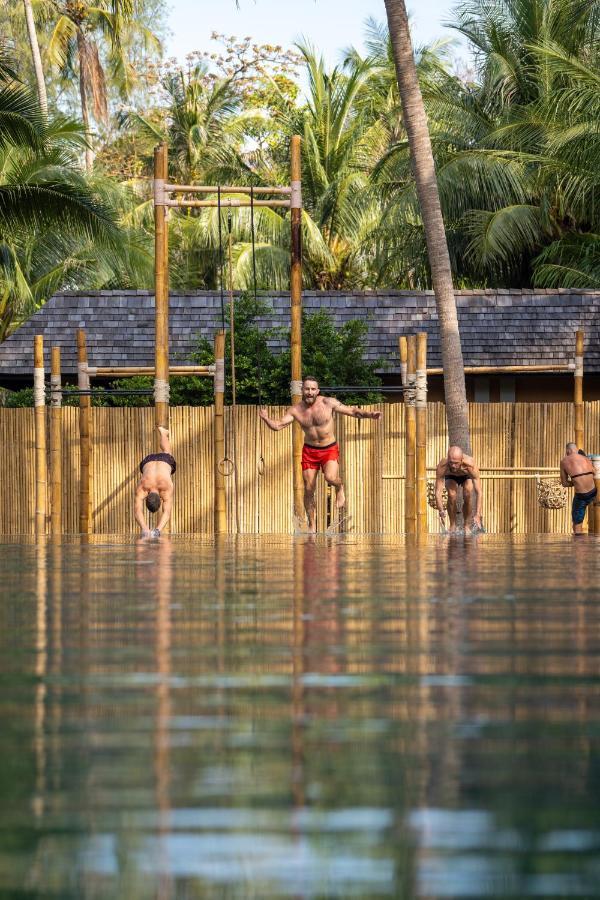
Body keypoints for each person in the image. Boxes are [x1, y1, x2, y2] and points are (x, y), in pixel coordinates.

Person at [259, 375, 382, 532]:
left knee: (330, 478)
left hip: (329, 448)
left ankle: (339, 487)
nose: (310, 392)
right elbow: (277, 426)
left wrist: (370, 415)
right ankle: (312, 525)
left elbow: (352, 411)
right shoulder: (296, 410)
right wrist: (266, 418)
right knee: (309, 488)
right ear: (302, 390)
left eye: (313, 389)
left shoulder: (328, 403)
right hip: (310, 451)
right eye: (307, 389)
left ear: (317, 390)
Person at [134, 425, 175, 537]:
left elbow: (167, 512)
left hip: (164, 462)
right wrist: (146, 529)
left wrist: (153, 530)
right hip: (147, 461)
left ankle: (163, 433)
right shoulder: (143, 488)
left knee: (167, 451)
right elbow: (137, 511)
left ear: (161, 499)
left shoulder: (165, 490)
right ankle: (163, 433)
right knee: (166, 450)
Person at [434, 445, 483, 533]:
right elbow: (438, 492)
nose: (453, 466)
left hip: (466, 475)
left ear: (461, 460)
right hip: (451, 476)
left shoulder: (470, 465)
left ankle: (466, 526)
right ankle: (452, 525)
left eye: (456, 463)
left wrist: (478, 514)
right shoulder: (443, 466)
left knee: (467, 493)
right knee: (452, 495)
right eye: (451, 462)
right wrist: (441, 510)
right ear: (448, 459)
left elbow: (479, 492)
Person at [560, 442, 597, 534]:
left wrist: (575, 482)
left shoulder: (564, 461)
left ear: (568, 451)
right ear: (576, 450)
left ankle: (578, 544)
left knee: (577, 522)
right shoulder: (586, 458)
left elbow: (564, 483)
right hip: (594, 492)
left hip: (581, 496)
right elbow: (595, 472)